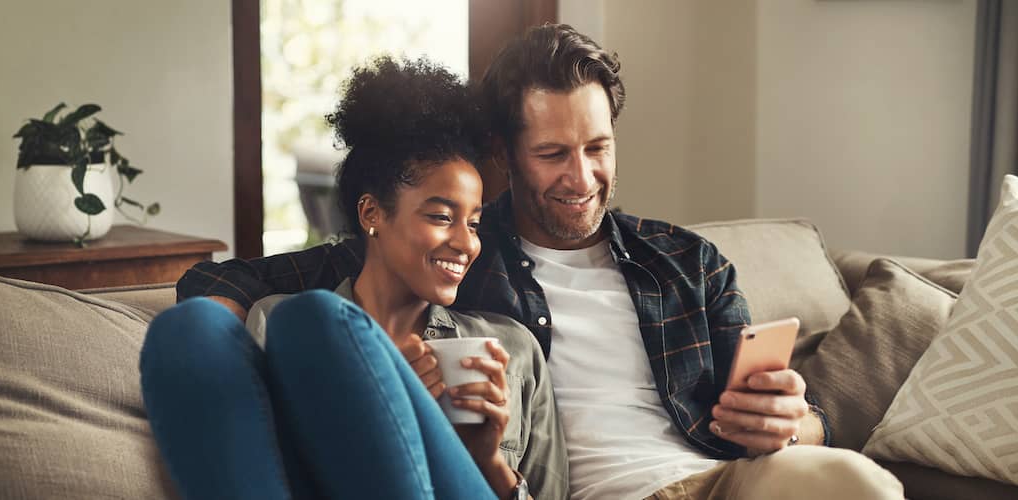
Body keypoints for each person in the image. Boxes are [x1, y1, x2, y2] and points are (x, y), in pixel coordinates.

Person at [178, 25, 905, 500]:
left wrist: (793, 423)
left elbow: (799, 421)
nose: (582, 177)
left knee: (862, 485)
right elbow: (231, 279)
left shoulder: (685, 262)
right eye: (553, 154)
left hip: (725, 479)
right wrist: (216, 327)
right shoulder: (456, 251)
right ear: (505, 155)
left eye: (597, 149)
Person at [142, 56, 566, 500]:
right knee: (185, 329)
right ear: (371, 213)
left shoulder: (512, 348)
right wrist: (381, 395)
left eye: (475, 223)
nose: (467, 243)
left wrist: (486, 460)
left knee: (317, 317)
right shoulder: (275, 323)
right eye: (442, 216)